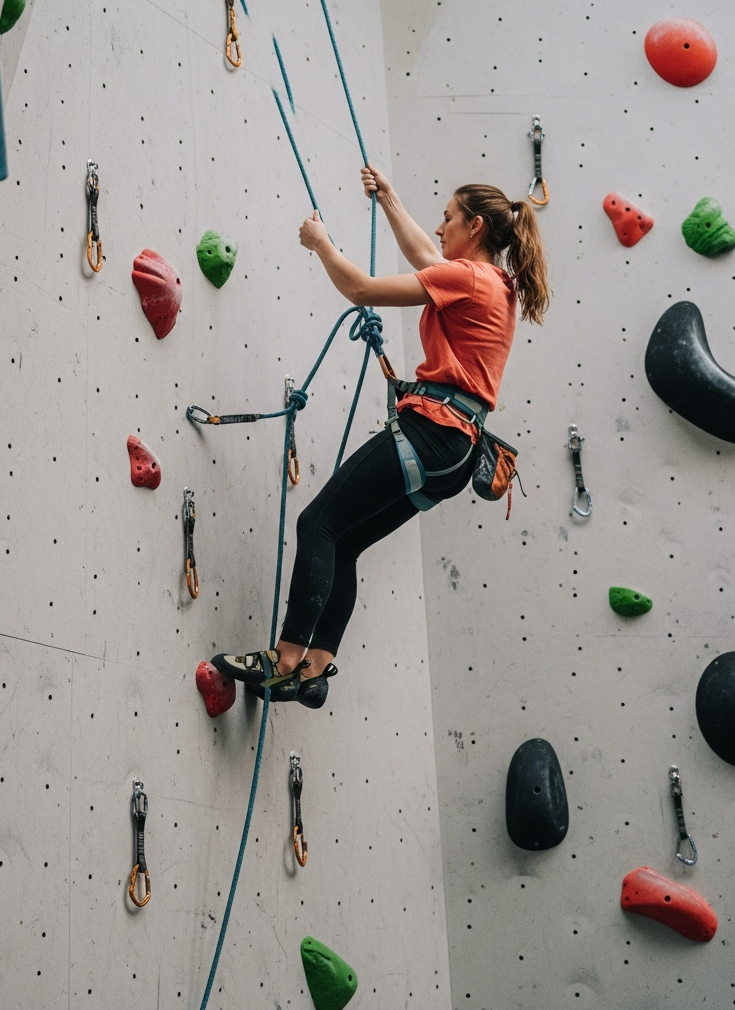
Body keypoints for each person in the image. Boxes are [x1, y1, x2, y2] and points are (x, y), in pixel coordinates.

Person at [212, 166, 550, 709]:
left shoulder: (470, 279)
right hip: (456, 453)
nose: (439, 229)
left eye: (448, 218)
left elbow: (361, 289)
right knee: (343, 543)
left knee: (316, 522)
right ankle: (316, 668)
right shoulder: (494, 284)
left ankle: (284, 659)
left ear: (477, 228)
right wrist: (390, 198)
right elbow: (426, 257)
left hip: (432, 430)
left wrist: (322, 244)